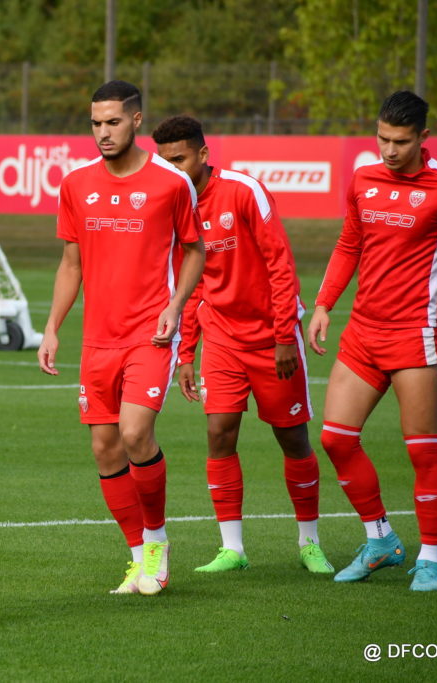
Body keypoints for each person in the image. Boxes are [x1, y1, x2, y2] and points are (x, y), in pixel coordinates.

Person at [38, 80, 205, 596]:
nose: (103, 132)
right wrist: (52, 328)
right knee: (105, 449)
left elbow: (195, 251)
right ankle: (137, 558)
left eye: (112, 122)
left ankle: (156, 542)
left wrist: (176, 307)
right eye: (95, 123)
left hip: (149, 335)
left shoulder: (172, 184)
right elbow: (71, 264)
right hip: (97, 340)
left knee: (135, 434)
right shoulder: (75, 185)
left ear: (136, 120)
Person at [151, 115, 334, 574]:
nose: (172, 169)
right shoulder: (173, 203)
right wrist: (186, 353)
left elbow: (279, 262)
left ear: (203, 154)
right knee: (219, 433)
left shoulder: (244, 191)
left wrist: (284, 336)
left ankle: (309, 542)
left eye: (179, 159)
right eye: (164, 161)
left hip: (272, 337)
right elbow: (189, 283)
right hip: (222, 338)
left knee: (292, 437)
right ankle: (232, 548)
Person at [308, 90, 437, 591]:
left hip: (414, 338)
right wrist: (324, 304)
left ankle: (430, 559)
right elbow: (349, 243)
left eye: (400, 141)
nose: (390, 150)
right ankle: (381, 541)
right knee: (335, 439)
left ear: (423, 138)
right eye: (382, 139)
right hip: (362, 334)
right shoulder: (364, 179)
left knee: (422, 452)